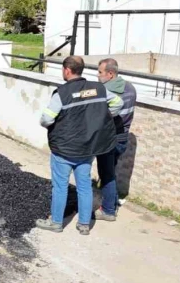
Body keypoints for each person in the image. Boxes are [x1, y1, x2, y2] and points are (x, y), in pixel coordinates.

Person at [36, 56, 123, 235]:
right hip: (87, 148)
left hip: (64, 149)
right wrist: (103, 117)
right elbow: (118, 103)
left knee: (60, 186)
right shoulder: (98, 88)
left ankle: (56, 222)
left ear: (67, 70)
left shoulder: (62, 93)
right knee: (84, 186)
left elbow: (47, 119)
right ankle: (84, 224)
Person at [95, 58, 137, 221]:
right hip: (123, 137)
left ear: (110, 74)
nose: (97, 75)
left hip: (109, 138)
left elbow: (101, 117)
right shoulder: (130, 88)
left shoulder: (105, 92)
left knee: (106, 174)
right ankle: (112, 201)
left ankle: (108, 211)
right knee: (110, 171)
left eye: (100, 72)